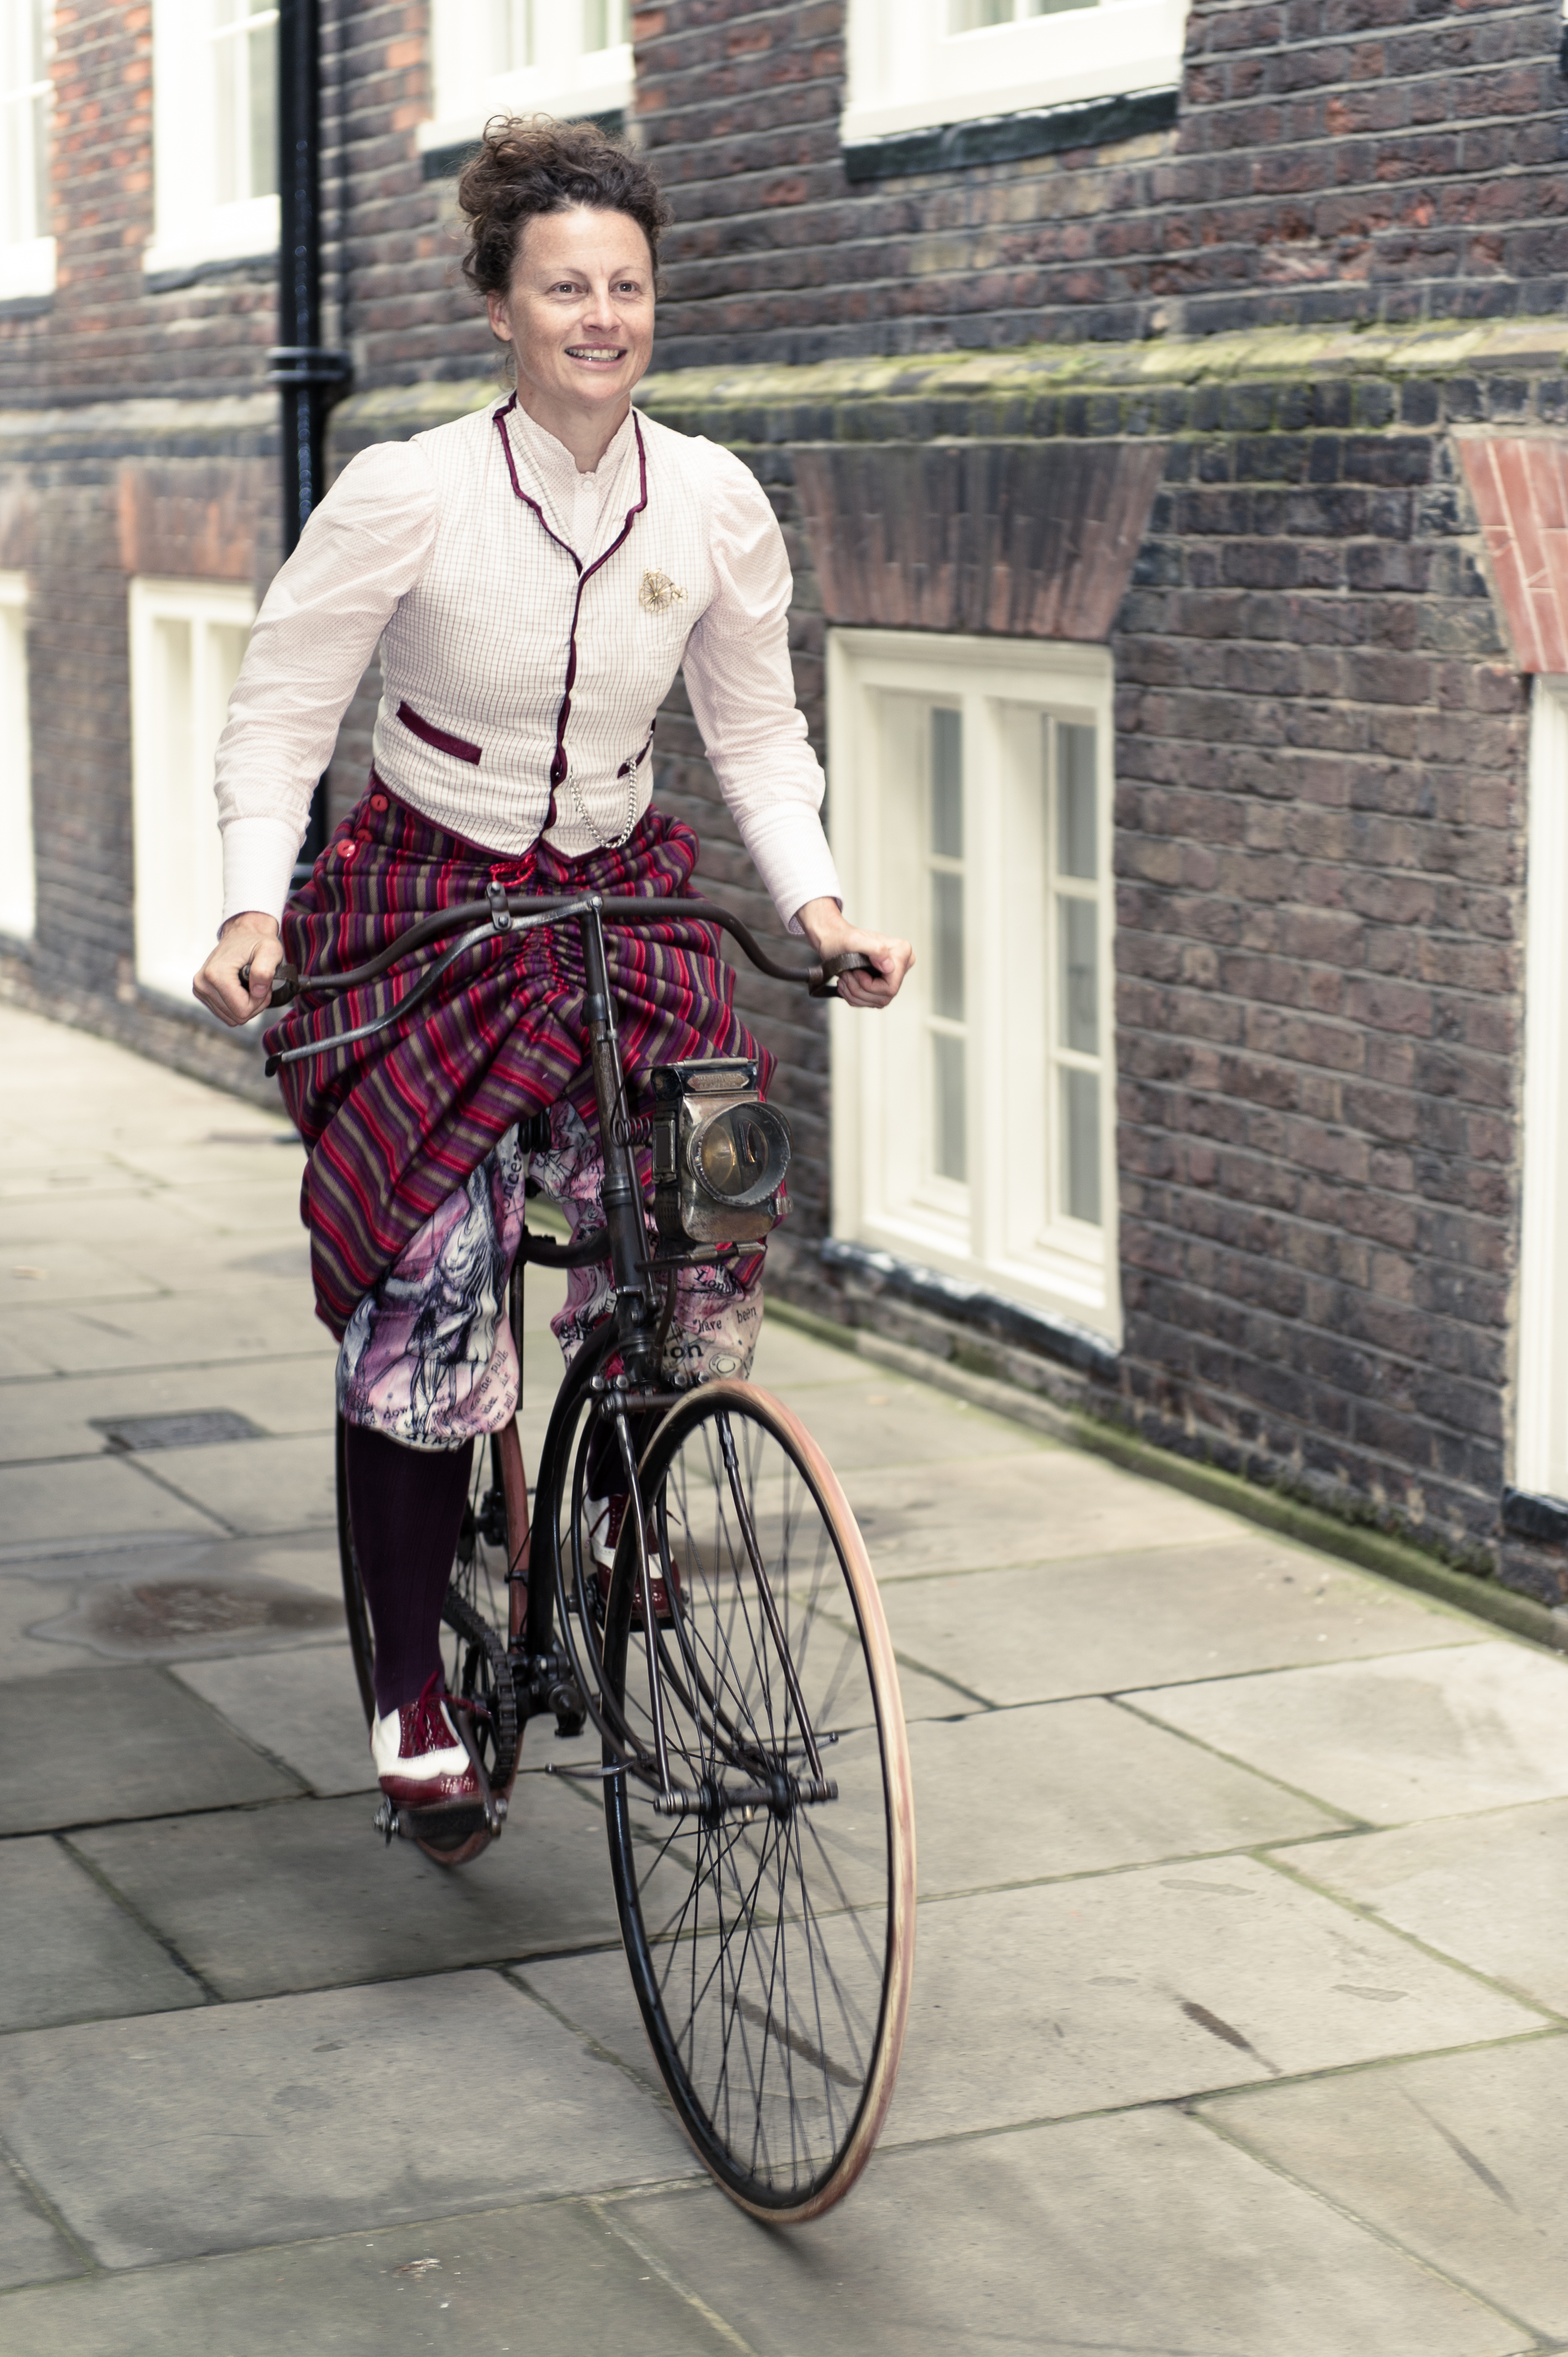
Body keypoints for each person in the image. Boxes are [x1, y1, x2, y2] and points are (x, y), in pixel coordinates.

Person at [193, 117, 912, 1816]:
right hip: (432, 911)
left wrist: (818, 914)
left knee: (709, 1224)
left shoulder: (715, 500)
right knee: (433, 1292)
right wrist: (248, 904)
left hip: (622, 902)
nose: (602, 314)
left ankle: (611, 1514)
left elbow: (759, 734)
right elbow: (284, 712)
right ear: (501, 310)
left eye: (628, 286)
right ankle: (404, 1694)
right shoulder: (412, 491)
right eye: (565, 287)